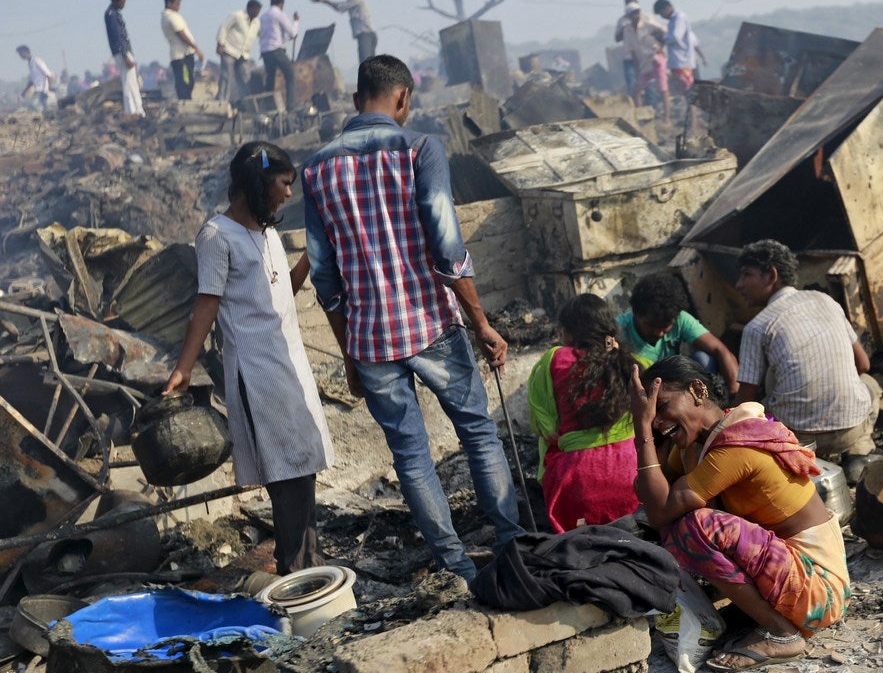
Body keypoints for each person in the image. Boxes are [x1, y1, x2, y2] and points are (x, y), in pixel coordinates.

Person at [304, 54, 522, 585]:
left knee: (411, 457)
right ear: (402, 98)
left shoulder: (315, 169)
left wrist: (351, 352)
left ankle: (454, 566)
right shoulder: (420, 148)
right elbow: (448, 251)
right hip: (431, 325)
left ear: (358, 101)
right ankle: (513, 544)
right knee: (477, 432)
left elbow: (323, 277)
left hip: (372, 342)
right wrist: (481, 323)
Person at [165, 142, 334, 575]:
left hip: (289, 364)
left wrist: (312, 258)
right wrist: (184, 368)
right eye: (283, 183)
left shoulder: (268, 234)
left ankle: (307, 560)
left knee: (305, 465)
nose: (288, 194)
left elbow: (280, 297)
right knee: (285, 475)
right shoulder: (217, 236)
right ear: (259, 182)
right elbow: (206, 305)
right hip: (258, 374)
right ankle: (295, 566)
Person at [629, 356, 850, 672]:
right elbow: (651, 496)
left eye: (662, 407)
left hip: (818, 589)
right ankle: (759, 615)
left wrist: (643, 432)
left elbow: (662, 512)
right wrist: (656, 434)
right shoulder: (698, 442)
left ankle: (783, 634)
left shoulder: (734, 445)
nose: (657, 420)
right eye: (651, 414)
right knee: (677, 522)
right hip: (794, 579)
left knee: (693, 526)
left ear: (697, 390)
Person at [734, 240, 879, 480]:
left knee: (760, 403)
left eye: (746, 275)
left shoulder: (757, 327)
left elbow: (745, 403)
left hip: (795, 438)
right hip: (849, 430)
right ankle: (858, 450)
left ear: (771, 275)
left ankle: (797, 465)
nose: (739, 285)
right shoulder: (827, 301)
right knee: (870, 384)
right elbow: (863, 365)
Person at [527, 294, 639, 533]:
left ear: (568, 332)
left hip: (576, 486)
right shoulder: (629, 362)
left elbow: (544, 427)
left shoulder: (554, 359)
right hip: (632, 480)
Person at [616, 272, 739, 393]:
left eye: (665, 327)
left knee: (703, 359)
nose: (659, 333)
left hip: (674, 386)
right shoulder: (618, 331)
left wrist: (735, 395)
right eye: (652, 326)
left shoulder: (680, 319)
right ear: (636, 313)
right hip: (640, 391)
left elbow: (720, 350)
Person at [311, 0, 377, 63]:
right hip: (367, 35)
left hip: (365, 35)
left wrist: (324, 1)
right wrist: (323, 0)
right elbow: (342, 4)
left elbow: (340, 7)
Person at [619, 0, 665, 108]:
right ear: (629, 16)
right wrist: (637, 65)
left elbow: (663, 32)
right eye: (633, 13)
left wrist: (660, 47)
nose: (636, 15)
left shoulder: (647, 23)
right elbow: (632, 50)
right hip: (643, 62)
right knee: (637, 90)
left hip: (656, 60)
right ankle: (640, 113)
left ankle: (665, 116)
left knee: (662, 88)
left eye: (637, 12)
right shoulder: (627, 30)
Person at [104, 0, 144, 118]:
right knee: (128, 81)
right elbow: (117, 37)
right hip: (122, 52)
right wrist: (125, 55)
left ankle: (137, 110)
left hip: (124, 51)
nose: (124, 4)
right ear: (116, 1)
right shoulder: (111, 14)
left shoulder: (115, 14)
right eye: (122, 1)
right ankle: (131, 110)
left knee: (132, 81)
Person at [655, 0, 697, 116]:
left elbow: (675, 37)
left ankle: (694, 123)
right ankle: (691, 121)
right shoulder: (673, 20)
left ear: (667, 8)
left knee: (688, 93)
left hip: (682, 62)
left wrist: (662, 38)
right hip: (677, 62)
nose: (662, 17)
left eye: (661, 13)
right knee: (684, 93)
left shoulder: (679, 18)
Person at [216, 0, 262, 102]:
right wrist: (220, 44)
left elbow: (262, 35)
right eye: (256, 10)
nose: (257, 13)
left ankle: (246, 102)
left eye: (259, 11)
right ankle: (221, 102)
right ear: (250, 8)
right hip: (229, 50)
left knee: (245, 77)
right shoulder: (237, 16)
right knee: (226, 76)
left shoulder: (257, 22)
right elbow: (224, 27)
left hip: (244, 54)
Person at [161, 0, 204, 100]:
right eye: (176, 3)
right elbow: (181, 34)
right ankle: (184, 101)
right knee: (185, 81)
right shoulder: (170, 17)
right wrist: (196, 48)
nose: (179, 6)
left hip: (184, 53)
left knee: (187, 80)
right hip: (181, 55)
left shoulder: (172, 16)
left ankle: (185, 100)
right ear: (169, 3)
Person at [259, 0, 299, 110]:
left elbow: (273, 34)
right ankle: (291, 106)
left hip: (265, 51)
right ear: (281, 4)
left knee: (270, 78)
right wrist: (296, 21)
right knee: (290, 75)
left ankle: (268, 107)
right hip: (276, 50)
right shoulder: (279, 14)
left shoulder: (263, 16)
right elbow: (292, 33)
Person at [614, 0, 641, 93]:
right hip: (629, 57)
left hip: (644, 56)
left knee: (648, 84)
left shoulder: (645, 19)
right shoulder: (622, 21)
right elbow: (617, 38)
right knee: (631, 84)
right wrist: (624, 29)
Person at [16, 46, 54, 111]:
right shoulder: (30, 64)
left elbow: (49, 74)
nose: (20, 56)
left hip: (43, 89)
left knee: (35, 105)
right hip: (37, 89)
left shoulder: (37, 61)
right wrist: (24, 92)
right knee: (39, 107)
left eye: (20, 54)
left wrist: (49, 88)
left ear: (25, 52)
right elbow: (31, 81)